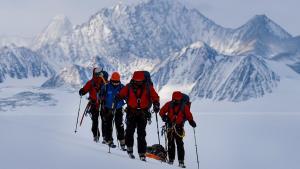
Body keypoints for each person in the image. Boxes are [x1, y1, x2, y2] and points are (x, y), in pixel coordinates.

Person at [115, 71, 160, 161]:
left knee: (141, 134)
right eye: (137, 81)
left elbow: (155, 97)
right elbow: (121, 94)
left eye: (140, 81)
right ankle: (130, 149)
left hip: (142, 114)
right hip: (132, 112)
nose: (138, 82)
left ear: (143, 80)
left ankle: (142, 153)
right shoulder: (129, 87)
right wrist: (118, 97)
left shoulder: (148, 87)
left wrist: (156, 104)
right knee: (129, 132)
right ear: (133, 79)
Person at [159, 91, 196, 168]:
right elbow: (161, 111)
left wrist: (191, 121)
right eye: (176, 100)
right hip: (170, 127)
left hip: (178, 127)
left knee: (179, 144)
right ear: (173, 99)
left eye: (179, 100)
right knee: (171, 144)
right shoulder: (169, 104)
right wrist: (164, 117)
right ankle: (171, 160)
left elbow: (189, 115)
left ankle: (181, 162)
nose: (178, 101)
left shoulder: (183, 106)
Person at [79, 67, 107, 142]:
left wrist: (82, 91)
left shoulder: (93, 82)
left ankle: (98, 136)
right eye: (99, 73)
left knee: (97, 121)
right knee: (101, 121)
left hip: (97, 105)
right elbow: (84, 90)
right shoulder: (104, 82)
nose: (100, 75)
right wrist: (82, 91)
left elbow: (84, 90)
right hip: (99, 105)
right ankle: (100, 136)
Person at [100, 72, 126, 150]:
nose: (115, 83)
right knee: (108, 125)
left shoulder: (122, 87)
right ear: (111, 80)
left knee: (119, 125)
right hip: (108, 108)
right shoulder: (106, 86)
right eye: (114, 82)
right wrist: (102, 99)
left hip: (118, 108)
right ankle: (109, 141)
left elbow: (127, 97)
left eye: (117, 82)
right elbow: (100, 95)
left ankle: (122, 143)